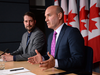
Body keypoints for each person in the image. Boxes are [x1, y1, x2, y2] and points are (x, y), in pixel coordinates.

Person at [28, 6, 85, 72]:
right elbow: (52, 57)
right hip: (54, 71)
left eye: (49, 15)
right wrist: (42, 58)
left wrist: (55, 63)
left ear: (59, 16)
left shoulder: (72, 32)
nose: (46, 19)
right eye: (45, 17)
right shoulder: (51, 36)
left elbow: (78, 60)